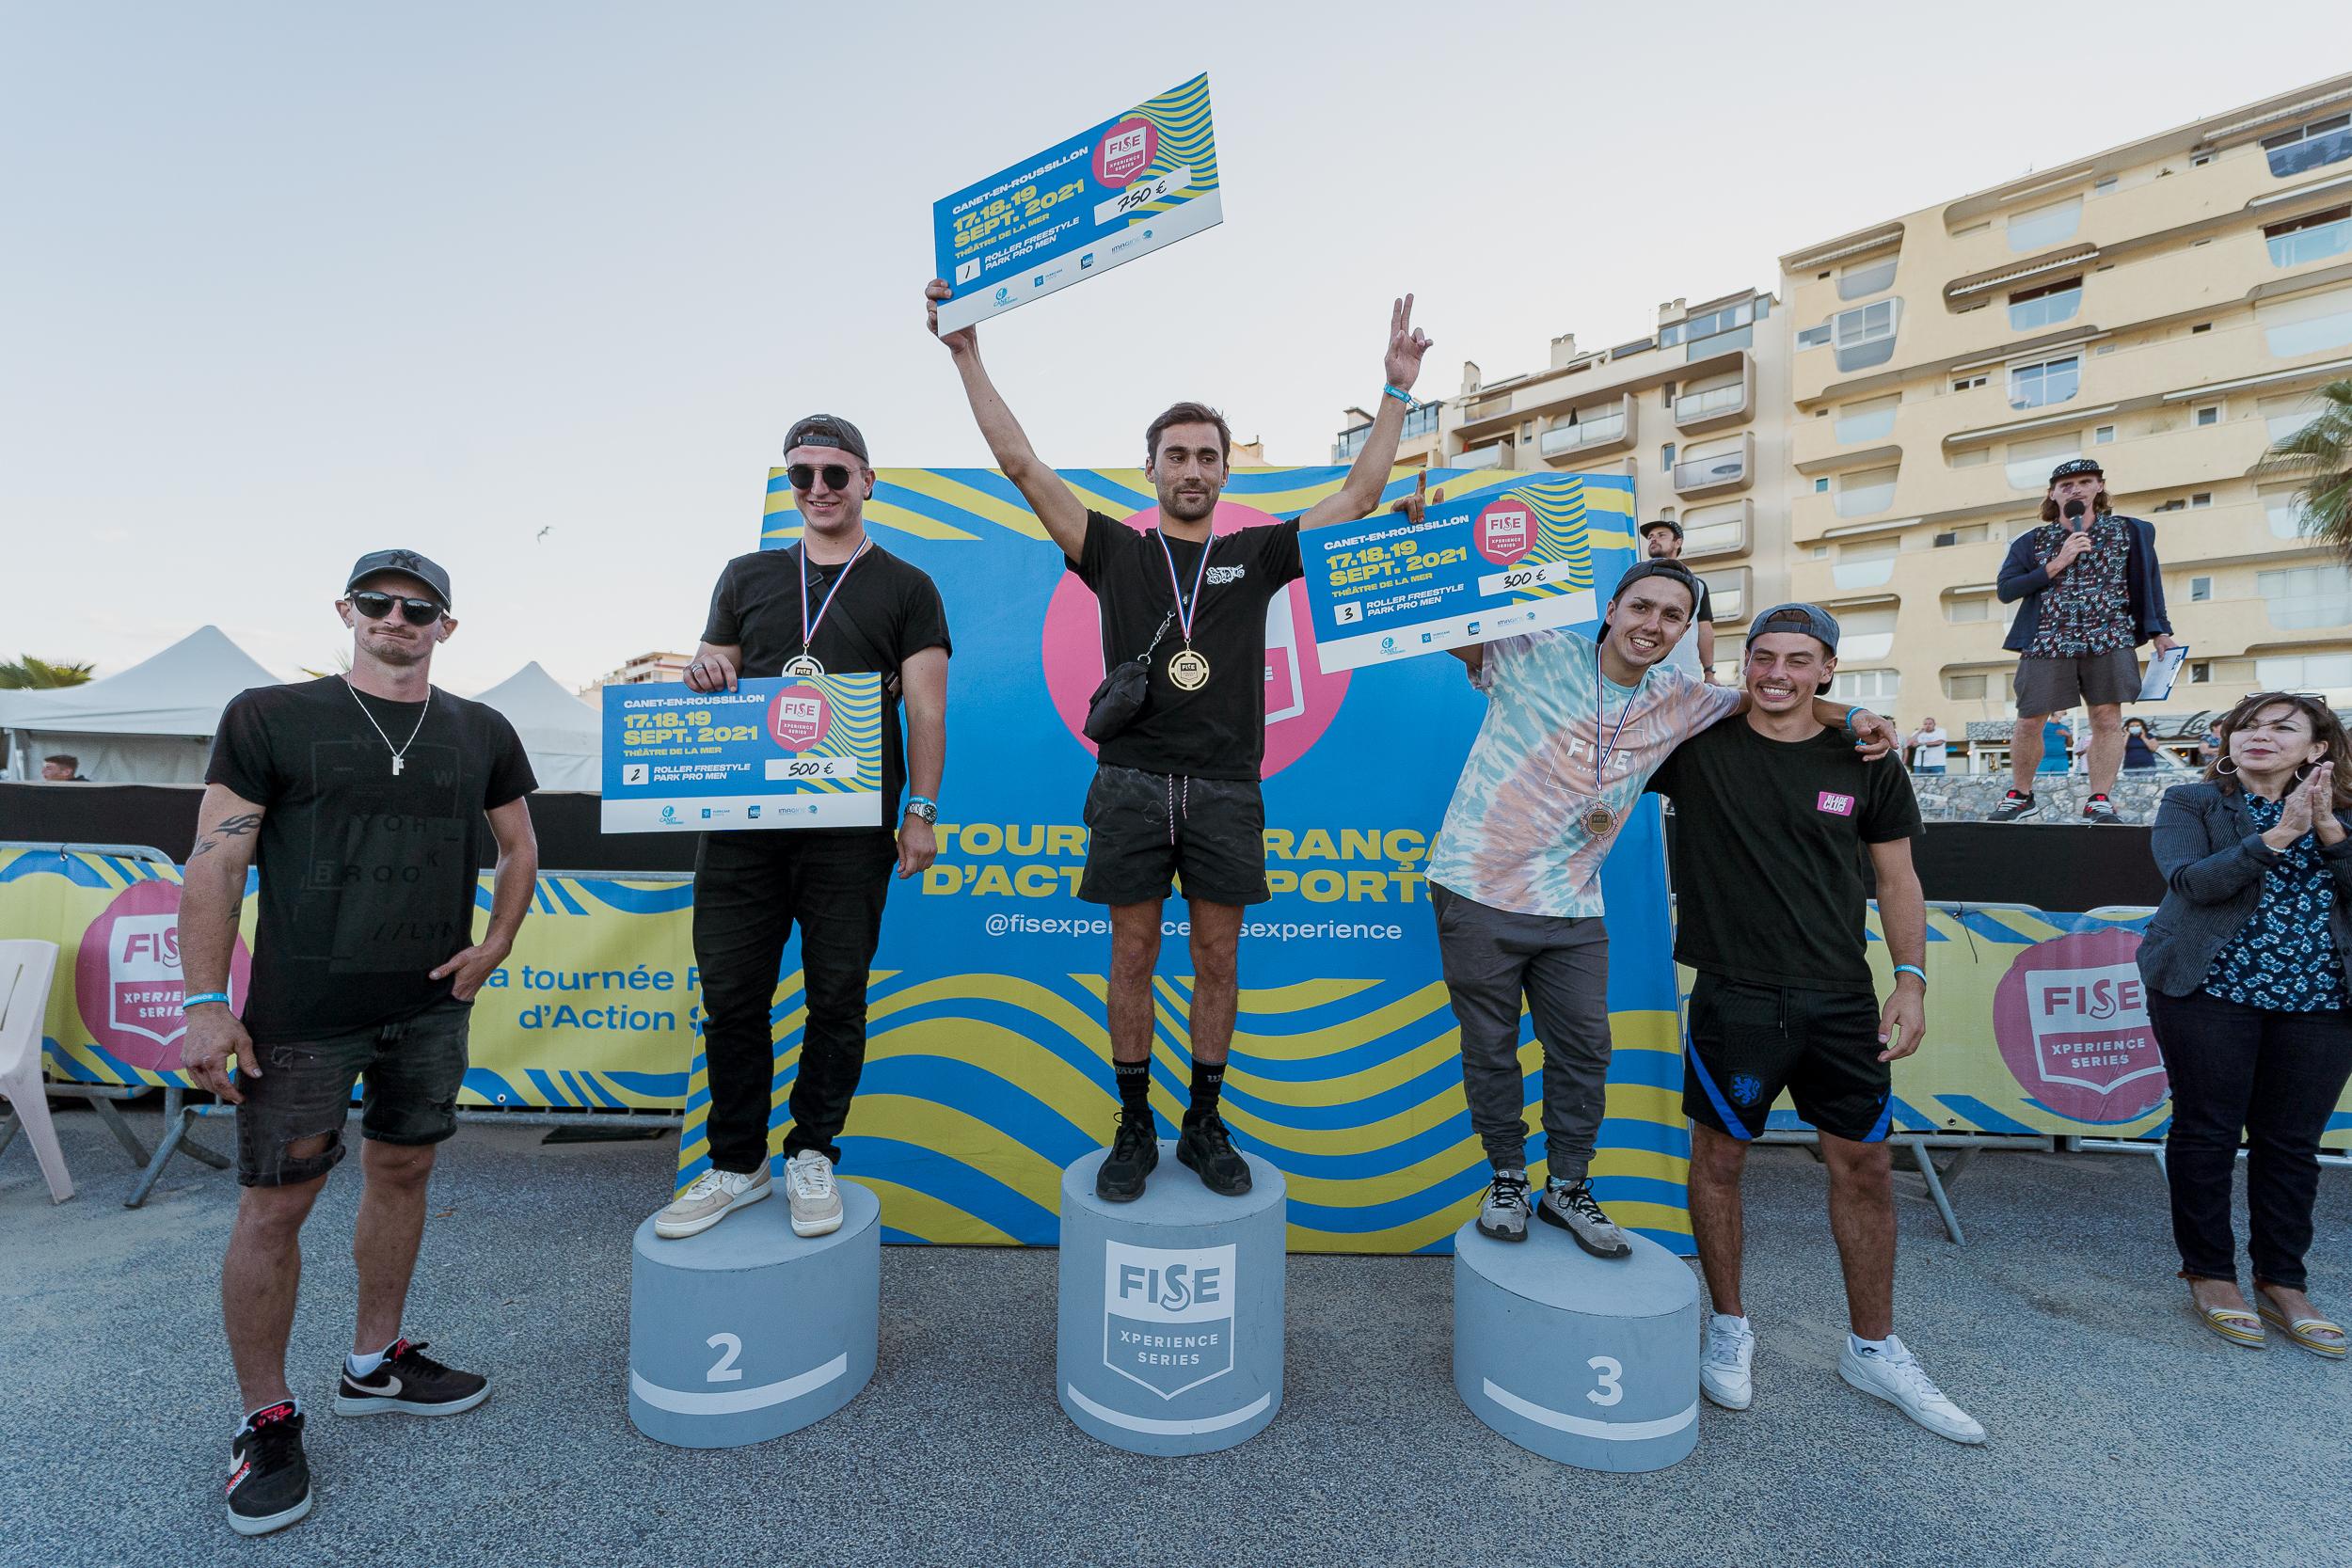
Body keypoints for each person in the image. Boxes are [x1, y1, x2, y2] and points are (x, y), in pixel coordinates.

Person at [928, 277, 1430, 1202]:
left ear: (1223, 471)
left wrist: (1395, 387)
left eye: (1206, 456)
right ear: (1151, 469)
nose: (1193, 469)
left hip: (1226, 787)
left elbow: (1360, 491)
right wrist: (968, 355)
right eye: (1177, 455)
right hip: (1129, 781)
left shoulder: (1259, 553)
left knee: (1217, 957)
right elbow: (1022, 467)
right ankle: (1132, 1120)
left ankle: (1202, 1119)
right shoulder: (1114, 550)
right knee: (1129, 952)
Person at [177, 549, 539, 1536]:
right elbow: (216, 859)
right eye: (378, 601)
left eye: (418, 606)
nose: (396, 617)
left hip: (427, 1004)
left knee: (405, 1169)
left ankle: (373, 1361)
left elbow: (519, 845)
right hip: (299, 1012)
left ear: (445, 626)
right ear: (347, 610)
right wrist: (208, 999)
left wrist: (496, 941)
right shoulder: (270, 715)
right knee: (274, 1207)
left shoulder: (481, 729)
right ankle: (265, 1418)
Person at [1427, 565, 1895, 1252]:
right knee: (1491, 1048)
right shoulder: (1535, 649)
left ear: (1683, 632)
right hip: (1476, 886)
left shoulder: (1679, 697)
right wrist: (1425, 545)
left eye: (1671, 615)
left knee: (1585, 1050)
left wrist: (1853, 713)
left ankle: (1566, 1185)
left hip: (1573, 903)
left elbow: (1775, 699)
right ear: (1612, 609)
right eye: (1641, 606)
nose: (1652, 623)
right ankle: (1505, 1175)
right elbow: (1436, 626)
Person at [1648, 603, 1985, 1444]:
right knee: (1719, 1158)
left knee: (1865, 1165)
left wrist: (1909, 980)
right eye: (1763, 656)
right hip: (1735, 991)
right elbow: (1620, 700)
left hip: (1841, 996)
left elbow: (1898, 879)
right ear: (1743, 661)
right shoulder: (1698, 742)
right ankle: (1727, 1323)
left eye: (1800, 660)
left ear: (1828, 668)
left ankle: (1873, 1346)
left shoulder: (1865, 756)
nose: (1777, 673)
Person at [655, 414, 950, 1243]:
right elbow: (710, 676)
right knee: (733, 996)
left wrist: (919, 812)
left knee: (836, 996)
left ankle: (813, 1151)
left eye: (834, 473)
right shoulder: (747, 574)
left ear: (866, 481)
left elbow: (927, 708)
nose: (817, 488)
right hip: (744, 828)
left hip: (849, 830)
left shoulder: (907, 585)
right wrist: (705, 671)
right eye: (801, 475)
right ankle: (737, 1161)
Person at [2137, 692, 2352, 1360]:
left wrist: (2328, 831)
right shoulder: (2190, 803)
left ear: (2317, 748)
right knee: (2206, 1129)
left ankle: (2283, 1281)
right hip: (2208, 990)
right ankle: (2210, 1272)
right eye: (2246, 726)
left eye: (2282, 727)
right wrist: (2280, 833)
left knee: (2291, 1143)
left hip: (2322, 999)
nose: (2259, 735)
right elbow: (2192, 882)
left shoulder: (2344, 814)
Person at [1987, 458, 2175, 824]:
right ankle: (2021, 795)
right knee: (2029, 720)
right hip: (2047, 636)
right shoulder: (2031, 541)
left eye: (2085, 482)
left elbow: (2149, 583)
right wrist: (2056, 564)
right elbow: (2007, 590)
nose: (2075, 489)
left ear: (2099, 487)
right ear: (2053, 494)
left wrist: (2160, 630)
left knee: (2106, 718)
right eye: (2066, 484)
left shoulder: (2131, 532)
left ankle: (2099, 799)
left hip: (2110, 634)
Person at [1638, 518, 1715, 682]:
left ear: (1678, 542)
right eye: (1650, 536)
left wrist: (1709, 672)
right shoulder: (1637, 581)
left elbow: (1704, 630)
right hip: (1641, 673)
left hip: (1685, 675)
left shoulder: (1698, 586)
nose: (1653, 539)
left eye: (1661, 535)